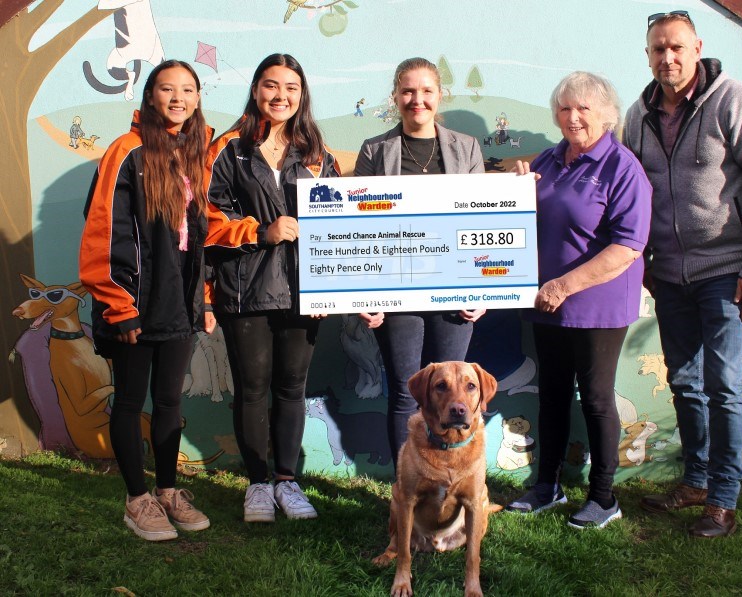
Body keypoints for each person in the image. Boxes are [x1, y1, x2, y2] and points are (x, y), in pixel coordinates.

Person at [622, 11, 742, 538]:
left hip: (727, 269)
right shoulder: (637, 115)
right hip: (668, 274)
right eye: (656, 50)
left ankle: (724, 498)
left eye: (675, 47)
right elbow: (627, 187)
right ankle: (694, 480)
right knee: (685, 383)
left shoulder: (734, 100)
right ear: (647, 55)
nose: (666, 58)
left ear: (697, 48)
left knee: (723, 386)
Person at [504, 72, 651, 530]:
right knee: (550, 396)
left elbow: (627, 247)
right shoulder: (547, 160)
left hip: (596, 305)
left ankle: (604, 497)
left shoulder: (623, 167)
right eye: (565, 108)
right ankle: (546, 485)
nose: (573, 117)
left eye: (584, 108)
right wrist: (512, 190)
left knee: (597, 400)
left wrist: (564, 286)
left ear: (605, 114)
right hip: (546, 303)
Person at [79, 59, 213, 542]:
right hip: (134, 303)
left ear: (197, 99)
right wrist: (120, 306)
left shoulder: (196, 153)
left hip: (178, 302)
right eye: (166, 89)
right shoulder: (126, 151)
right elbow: (103, 233)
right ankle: (137, 499)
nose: (177, 98)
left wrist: (206, 299)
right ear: (150, 96)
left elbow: (199, 237)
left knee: (170, 402)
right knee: (132, 399)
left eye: (187, 90)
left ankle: (168, 490)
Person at [204, 53, 340, 523]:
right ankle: (258, 484)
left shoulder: (318, 152)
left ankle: (287, 480)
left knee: (292, 387)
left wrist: (331, 289)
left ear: (302, 95)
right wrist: (261, 231)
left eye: (291, 87)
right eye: (270, 85)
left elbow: (337, 227)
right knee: (252, 388)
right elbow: (206, 219)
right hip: (245, 291)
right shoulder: (229, 148)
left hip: (306, 292)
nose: (280, 96)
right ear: (256, 90)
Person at [354, 57, 486, 469]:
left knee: (457, 396)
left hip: (455, 292)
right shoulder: (375, 150)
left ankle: (452, 482)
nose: (417, 100)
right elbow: (360, 228)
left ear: (439, 95)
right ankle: (406, 488)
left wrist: (482, 290)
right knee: (406, 391)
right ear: (395, 96)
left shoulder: (466, 148)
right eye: (408, 91)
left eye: (426, 91)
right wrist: (365, 293)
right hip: (397, 292)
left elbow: (484, 220)